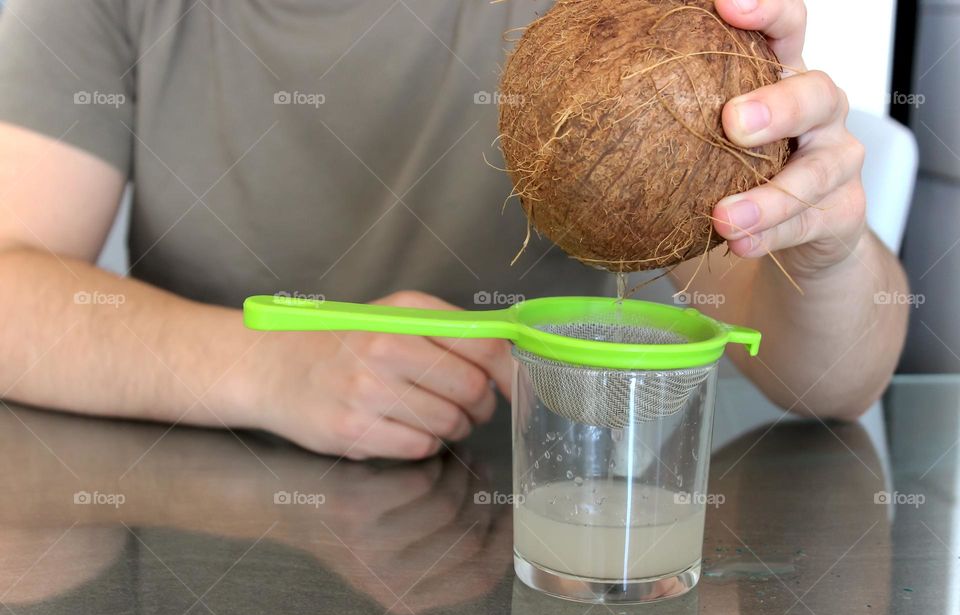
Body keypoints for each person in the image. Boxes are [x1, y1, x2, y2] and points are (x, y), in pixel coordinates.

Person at [0, 0, 909, 460]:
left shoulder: (612, 18)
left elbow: (828, 384)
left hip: (540, 509)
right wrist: (265, 368)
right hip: (201, 491)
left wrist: (823, 250)